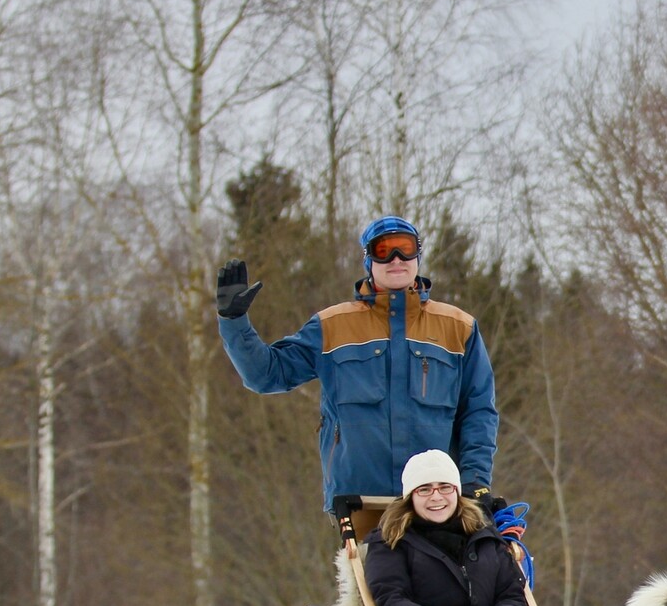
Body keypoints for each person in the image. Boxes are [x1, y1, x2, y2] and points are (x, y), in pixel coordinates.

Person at [215, 215, 502, 513]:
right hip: (361, 503)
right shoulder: (332, 326)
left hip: (438, 504)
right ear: (368, 260)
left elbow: (479, 410)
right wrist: (234, 321)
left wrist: (475, 480)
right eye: (383, 251)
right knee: (372, 562)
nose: (396, 260)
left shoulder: (458, 328)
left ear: (418, 255)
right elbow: (266, 375)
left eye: (405, 248)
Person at [364, 450, 583, 606]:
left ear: (456, 492)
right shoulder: (390, 541)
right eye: (425, 489)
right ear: (410, 497)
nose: (436, 497)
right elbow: (390, 602)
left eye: (444, 487)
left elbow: (512, 597)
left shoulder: (486, 537)